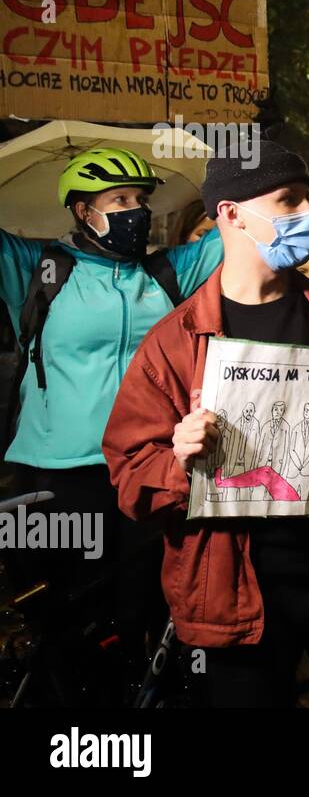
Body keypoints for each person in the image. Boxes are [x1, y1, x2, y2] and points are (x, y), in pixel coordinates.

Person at [102, 139, 309, 707]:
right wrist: (180, 460)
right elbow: (130, 475)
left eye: (307, 200)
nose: (306, 216)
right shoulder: (176, 342)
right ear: (231, 213)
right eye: (288, 201)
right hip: (237, 594)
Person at [0, 147, 223, 695]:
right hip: (57, 474)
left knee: (140, 606)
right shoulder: (41, 267)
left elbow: (239, 229)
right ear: (81, 210)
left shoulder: (166, 269)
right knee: (63, 616)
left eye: (141, 200)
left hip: (145, 467)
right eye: (119, 200)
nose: (135, 210)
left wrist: (247, 151)